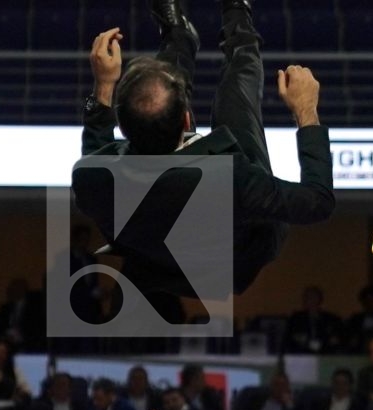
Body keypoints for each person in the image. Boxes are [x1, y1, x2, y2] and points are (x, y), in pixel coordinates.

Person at [72, 3, 334, 308]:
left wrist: (103, 86)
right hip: (231, 259)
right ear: (187, 120)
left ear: (123, 126)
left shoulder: (93, 176)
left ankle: (179, 35)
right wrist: (306, 110)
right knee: (235, 99)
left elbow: (95, 149)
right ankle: (239, 17)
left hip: (158, 263)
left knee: (157, 92)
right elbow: (318, 201)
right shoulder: (232, 176)